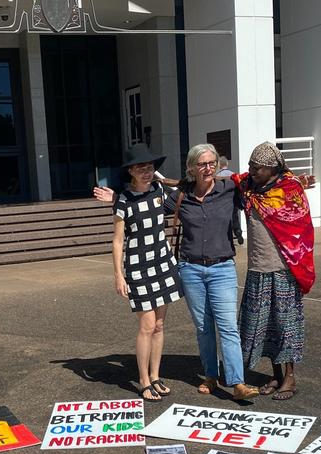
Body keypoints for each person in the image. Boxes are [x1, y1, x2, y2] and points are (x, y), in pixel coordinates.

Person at [96, 144, 258, 400]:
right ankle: (175, 378)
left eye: (211, 163)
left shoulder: (219, 189)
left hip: (194, 267)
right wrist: (117, 200)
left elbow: (255, 188)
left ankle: (233, 382)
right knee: (185, 326)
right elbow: (131, 222)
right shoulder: (154, 197)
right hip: (168, 268)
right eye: (202, 164)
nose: (208, 168)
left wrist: (291, 185)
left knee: (214, 326)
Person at [234, 142, 316, 400]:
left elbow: (301, 230)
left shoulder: (290, 190)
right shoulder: (249, 187)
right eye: (249, 166)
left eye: (255, 167)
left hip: (283, 270)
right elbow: (217, 180)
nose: (250, 171)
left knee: (284, 325)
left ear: (272, 169)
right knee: (264, 326)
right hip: (258, 269)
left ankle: (290, 378)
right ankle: (277, 375)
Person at [107, 146, 183, 401]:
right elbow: (118, 241)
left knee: (160, 325)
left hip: (163, 263)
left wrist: (163, 179)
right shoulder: (123, 199)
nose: (147, 172)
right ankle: (142, 380)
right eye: (141, 168)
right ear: (131, 171)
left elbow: (186, 186)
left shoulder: (160, 191)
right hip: (138, 267)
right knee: (147, 325)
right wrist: (119, 275)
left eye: (150, 167)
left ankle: (156, 375)